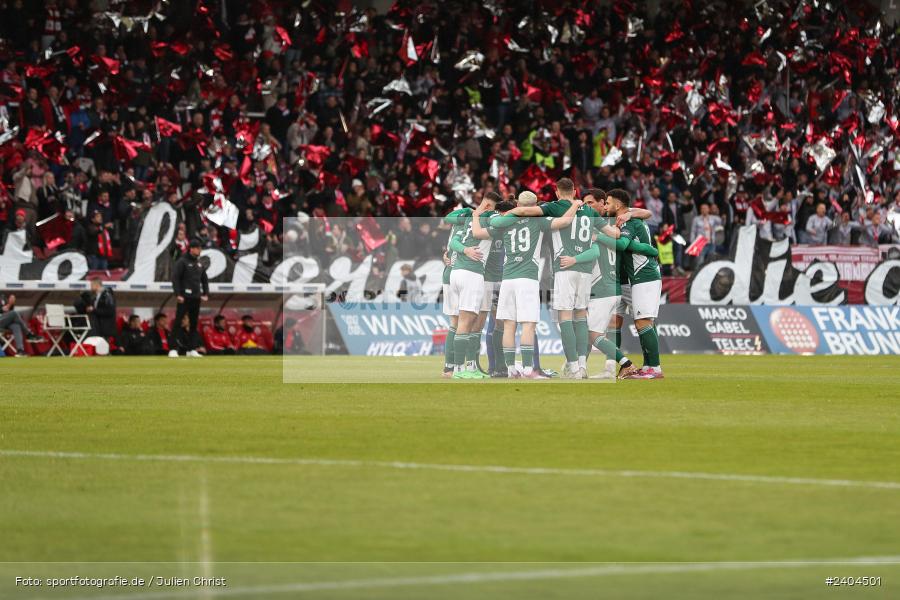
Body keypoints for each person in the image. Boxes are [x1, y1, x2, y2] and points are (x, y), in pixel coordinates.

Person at [471, 190, 580, 379]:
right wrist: (576, 205)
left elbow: (478, 232)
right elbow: (565, 222)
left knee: (509, 325)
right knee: (528, 325)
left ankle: (511, 368)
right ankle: (529, 369)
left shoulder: (504, 222)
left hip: (507, 279)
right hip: (527, 278)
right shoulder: (539, 221)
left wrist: (475, 215)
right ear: (535, 204)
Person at [172, 239, 209, 344]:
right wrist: (178, 294)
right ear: (191, 249)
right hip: (184, 297)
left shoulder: (199, 263)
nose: (200, 250)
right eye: (198, 248)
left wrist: (205, 293)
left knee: (193, 323)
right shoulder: (182, 261)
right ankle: (173, 348)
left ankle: (191, 349)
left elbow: (205, 280)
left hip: (196, 297)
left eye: (200, 248)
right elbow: (175, 278)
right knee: (178, 322)